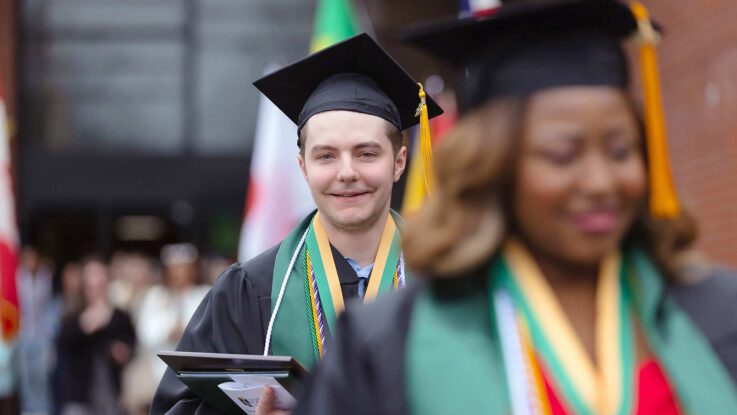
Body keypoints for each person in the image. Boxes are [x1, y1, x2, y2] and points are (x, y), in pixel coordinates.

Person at [295, 1, 737, 414]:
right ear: (493, 166)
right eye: (562, 154)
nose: (602, 181)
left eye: (621, 151)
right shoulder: (389, 347)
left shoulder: (717, 314)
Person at [150, 33, 442, 414]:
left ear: (399, 162)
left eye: (366, 153)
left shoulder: (446, 281)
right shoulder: (249, 291)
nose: (347, 173)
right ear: (303, 167)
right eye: (326, 156)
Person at [57, 255, 136, 415]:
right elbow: (63, 343)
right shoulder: (73, 316)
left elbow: (130, 345)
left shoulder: (120, 317)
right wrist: (84, 325)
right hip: (80, 398)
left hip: (112, 397)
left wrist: (121, 351)